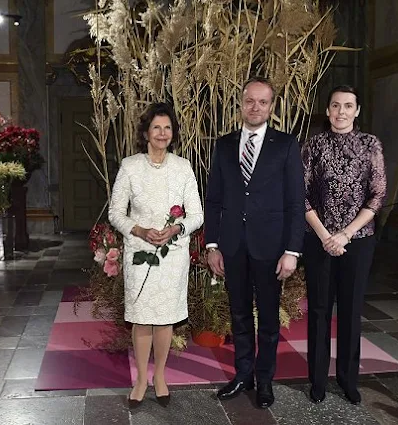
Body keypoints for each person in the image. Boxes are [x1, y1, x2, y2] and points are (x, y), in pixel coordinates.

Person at [205, 76, 305, 409]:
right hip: (232, 246)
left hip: (271, 247)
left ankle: (265, 381)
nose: (255, 107)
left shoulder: (287, 145)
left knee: (269, 319)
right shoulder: (223, 144)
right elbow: (214, 199)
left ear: (271, 107)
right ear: (241, 104)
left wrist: (292, 251)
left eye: (263, 102)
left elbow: (295, 201)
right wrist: (212, 244)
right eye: (250, 101)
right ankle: (243, 375)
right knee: (239, 315)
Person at [108, 102, 204, 408]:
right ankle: (140, 379)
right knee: (142, 319)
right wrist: (138, 231)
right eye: (156, 127)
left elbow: (197, 215)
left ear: (172, 133)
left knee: (164, 320)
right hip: (139, 253)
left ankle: (160, 376)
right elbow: (115, 213)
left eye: (167, 128)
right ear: (146, 132)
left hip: (173, 255)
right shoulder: (129, 166)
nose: (162, 133)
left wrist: (176, 229)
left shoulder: (183, 167)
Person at [301, 85, 386, 405]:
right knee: (320, 311)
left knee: (351, 311)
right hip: (318, 239)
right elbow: (302, 194)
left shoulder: (370, 144)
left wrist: (346, 234)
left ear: (357, 111)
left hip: (358, 241)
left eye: (348, 106)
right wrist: (325, 235)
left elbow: (377, 194)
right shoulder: (315, 145)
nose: (341, 112)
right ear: (327, 110)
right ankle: (318, 380)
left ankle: (349, 380)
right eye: (335, 106)